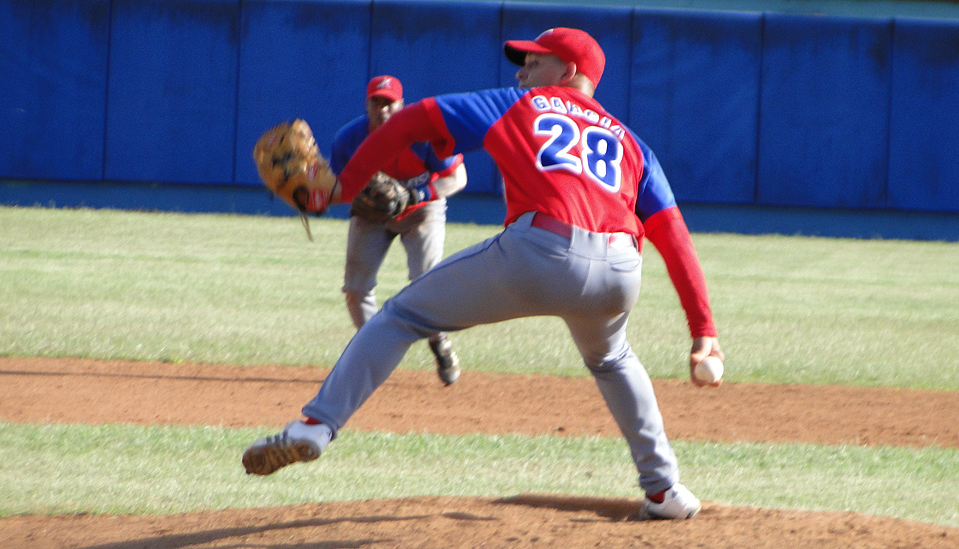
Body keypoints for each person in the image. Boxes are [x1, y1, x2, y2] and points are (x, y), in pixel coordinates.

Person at [243, 28, 724, 520]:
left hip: (541, 251)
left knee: (401, 316)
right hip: (621, 270)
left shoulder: (519, 104)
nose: (522, 72)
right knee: (614, 358)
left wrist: (344, 187)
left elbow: (414, 118)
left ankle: (314, 426)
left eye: (534, 62)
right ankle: (664, 490)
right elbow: (673, 235)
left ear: (568, 71)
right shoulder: (634, 145)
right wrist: (703, 331)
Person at [330, 75, 468, 386]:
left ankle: (439, 341)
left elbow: (458, 178)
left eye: (389, 103)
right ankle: (374, 353)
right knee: (355, 288)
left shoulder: (425, 135)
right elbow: (338, 186)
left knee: (425, 282)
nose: (383, 110)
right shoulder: (349, 138)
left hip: (422, 210)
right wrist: (311, 196)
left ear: (402, 105)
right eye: (376, 103)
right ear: (367, 105)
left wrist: (418, 195)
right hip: (372, 215)